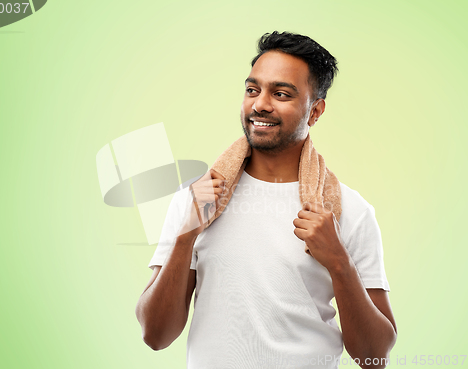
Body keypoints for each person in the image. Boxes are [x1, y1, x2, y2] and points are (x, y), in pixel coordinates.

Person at [135, 31, 397, 369]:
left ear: (315, 111)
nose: (260, 104)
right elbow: (155, 335)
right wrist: (186, 235)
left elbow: (374, 357)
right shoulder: (199, 198)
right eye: (252, 90)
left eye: (281, 93)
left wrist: (339, 263)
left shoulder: (349, 211)